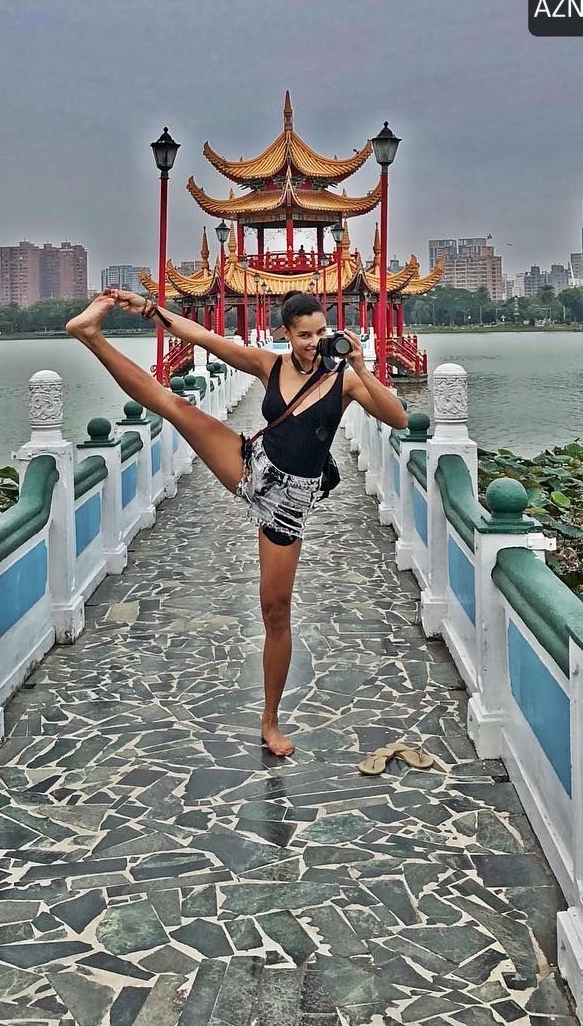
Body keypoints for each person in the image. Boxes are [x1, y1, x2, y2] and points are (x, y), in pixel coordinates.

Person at [66, 288, 408, 756]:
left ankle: (270, 719)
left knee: (276, 612)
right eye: (304, 335)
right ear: (286, 334)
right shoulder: (270, 365)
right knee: (175, 406)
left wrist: (363, 368)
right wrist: (148, 308)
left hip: (289, 502)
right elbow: (203, 337)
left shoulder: (343, 380)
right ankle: (90, 335)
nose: (314, 343)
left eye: (321, 332)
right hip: (251, 466)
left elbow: (399, 419)